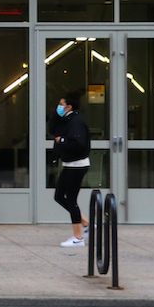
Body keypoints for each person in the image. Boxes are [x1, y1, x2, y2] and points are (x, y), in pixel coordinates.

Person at [52, 92, 91, 247]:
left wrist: (62, 141)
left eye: (61, 104)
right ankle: (87, 224)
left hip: (77, 165)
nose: (59, 107)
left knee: (71, 199)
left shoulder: (76, 122)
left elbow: (78, 144)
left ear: (69, 106)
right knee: (60, 196)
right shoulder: (67, 120)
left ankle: (78, 237)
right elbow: (53, 128)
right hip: (70, 164)